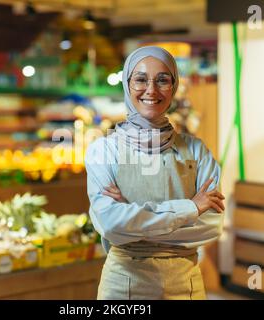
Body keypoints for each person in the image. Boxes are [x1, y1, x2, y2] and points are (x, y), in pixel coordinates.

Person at [85, 46, 225, 300]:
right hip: (124, 285)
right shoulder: (104, 150)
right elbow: (111, 224)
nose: (151, 90)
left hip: (187, 286)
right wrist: (190, 209)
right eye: (140, 79)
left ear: (174, 86)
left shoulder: (196, 150)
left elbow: (211, 226)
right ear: (128, 84)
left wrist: (133, 216)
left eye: (163, 80)